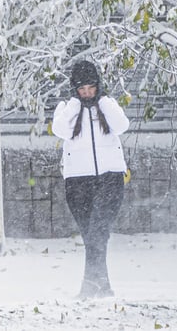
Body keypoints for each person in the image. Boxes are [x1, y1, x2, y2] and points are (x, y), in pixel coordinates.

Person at [51, 60, 130, 299]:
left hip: (110, 178)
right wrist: (75, 104)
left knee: (97, 231)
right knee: (91, 235)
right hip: (77, 181)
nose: (87, 93)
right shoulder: (66, 108)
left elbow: (122, 125)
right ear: (74, 89)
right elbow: (60, 130)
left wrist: (103, 100)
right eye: (82, 89)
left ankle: (90, 285)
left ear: (98, 86)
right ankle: (101, 286)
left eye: (91, 87)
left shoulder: (108, 105)